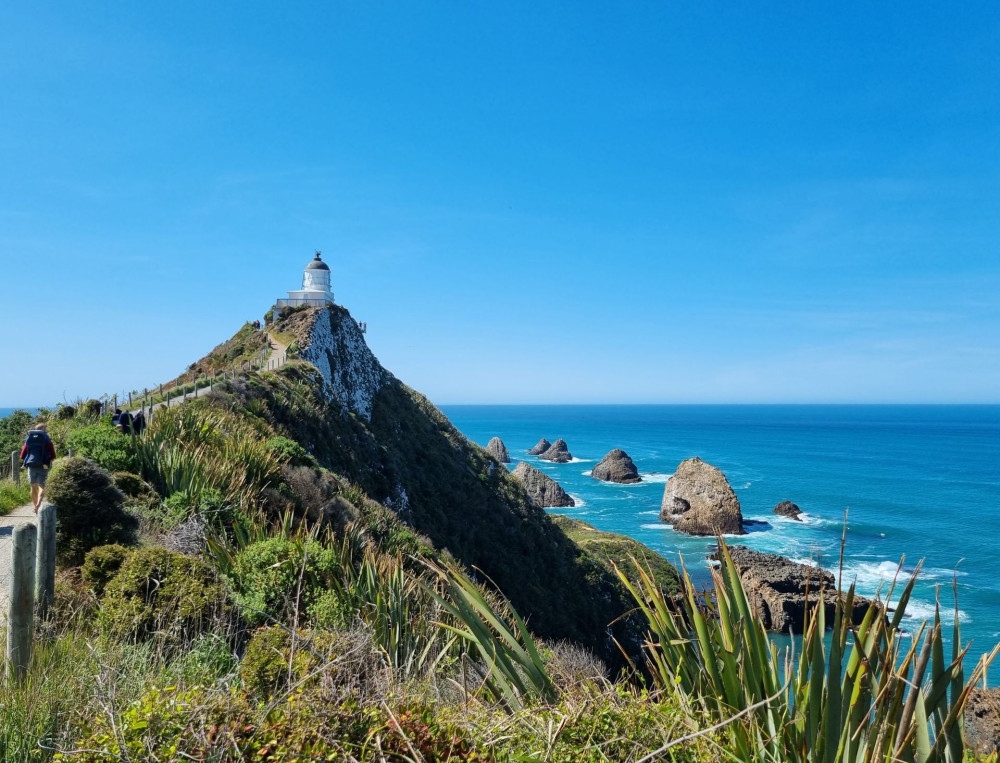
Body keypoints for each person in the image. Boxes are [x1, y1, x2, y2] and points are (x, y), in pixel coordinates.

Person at [20, 423, 56, 512]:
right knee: (42, 486)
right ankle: (38, 503)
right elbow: (52, 454)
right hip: (43, 465)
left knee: (33, 486)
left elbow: (22, 454)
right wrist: (50, 459)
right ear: (44, 430)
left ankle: (35, 506)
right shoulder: (46, 438)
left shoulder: (30, 438)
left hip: (31, 465)